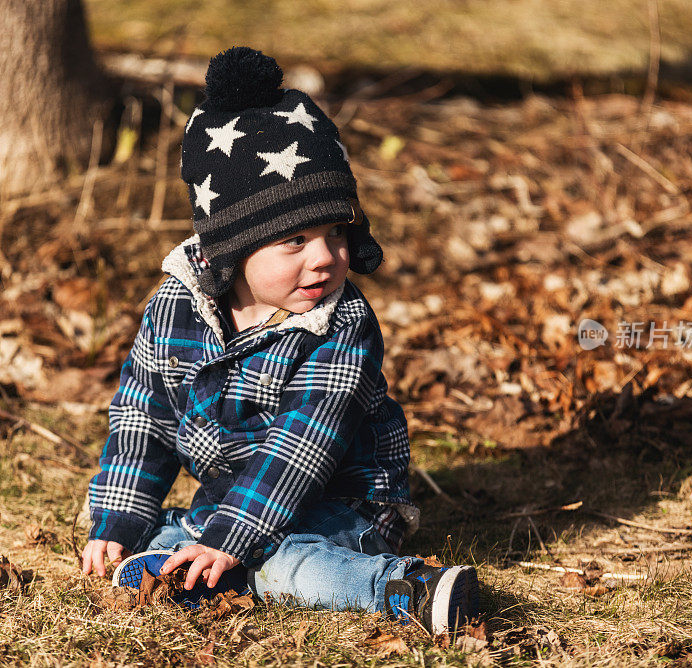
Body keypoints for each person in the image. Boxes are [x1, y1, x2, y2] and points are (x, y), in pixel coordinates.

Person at [81, 46, 478, 635]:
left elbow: (304, 445)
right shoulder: (174, 309)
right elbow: (144, 422)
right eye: (294, 240)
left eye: (336, 232)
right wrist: (117, 521)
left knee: (284, 566)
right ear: (233, 248)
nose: (325, 258)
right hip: (236, 499)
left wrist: (235, 537)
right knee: (168, 536)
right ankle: (190, 562)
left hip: (348, 500)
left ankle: (408, 588)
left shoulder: (341, 324)